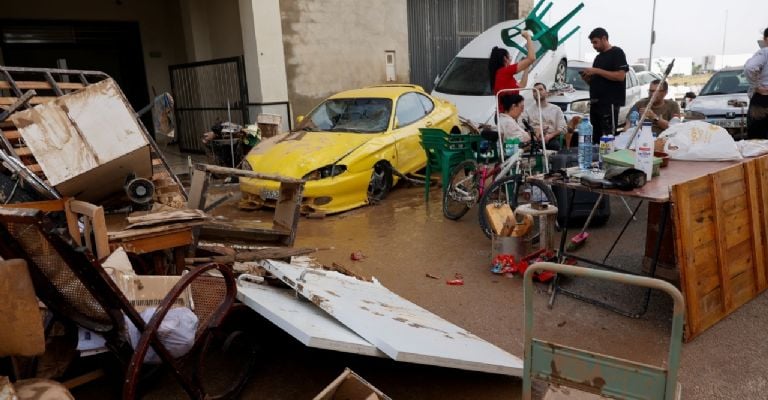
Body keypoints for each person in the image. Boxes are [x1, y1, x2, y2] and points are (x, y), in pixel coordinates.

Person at [580, 27, 629, 143]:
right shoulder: (598, 58)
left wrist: (597, 71)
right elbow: (596, 82)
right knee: (596, 137)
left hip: (609, 104)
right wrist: (586, 79)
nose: (594, 46)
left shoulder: (617, 53)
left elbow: (620, 76)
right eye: (592, 43)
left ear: (604, 38)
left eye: (595, 42)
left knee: (608, 136)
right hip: (595, 103)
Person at [488, 30, 536, 112]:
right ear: (505, 59)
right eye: (509, 56)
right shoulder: (504, 71)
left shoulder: (501, 74)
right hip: (506, 115)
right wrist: (528, 37)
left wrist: (526, 67)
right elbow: (532, 58)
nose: (511, 58)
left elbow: (522, 85)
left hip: (506, 114)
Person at [521, 82, 566, 150]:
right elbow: (521, 126)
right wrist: (532, 135)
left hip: (550, 138)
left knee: (555, 147)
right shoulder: (528, 110)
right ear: (533, 94)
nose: (537, 92)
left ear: (546, 92)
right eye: (534, 91)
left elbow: (562, 127)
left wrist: (550, 136)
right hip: (533, 139)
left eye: (540, 89)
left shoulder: (556, 109)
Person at [744, 27, 768, 139]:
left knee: (757, 139)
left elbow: (750, 68)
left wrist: (756, 86)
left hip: (763, 100)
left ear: (765, 39)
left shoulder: (764, 53)